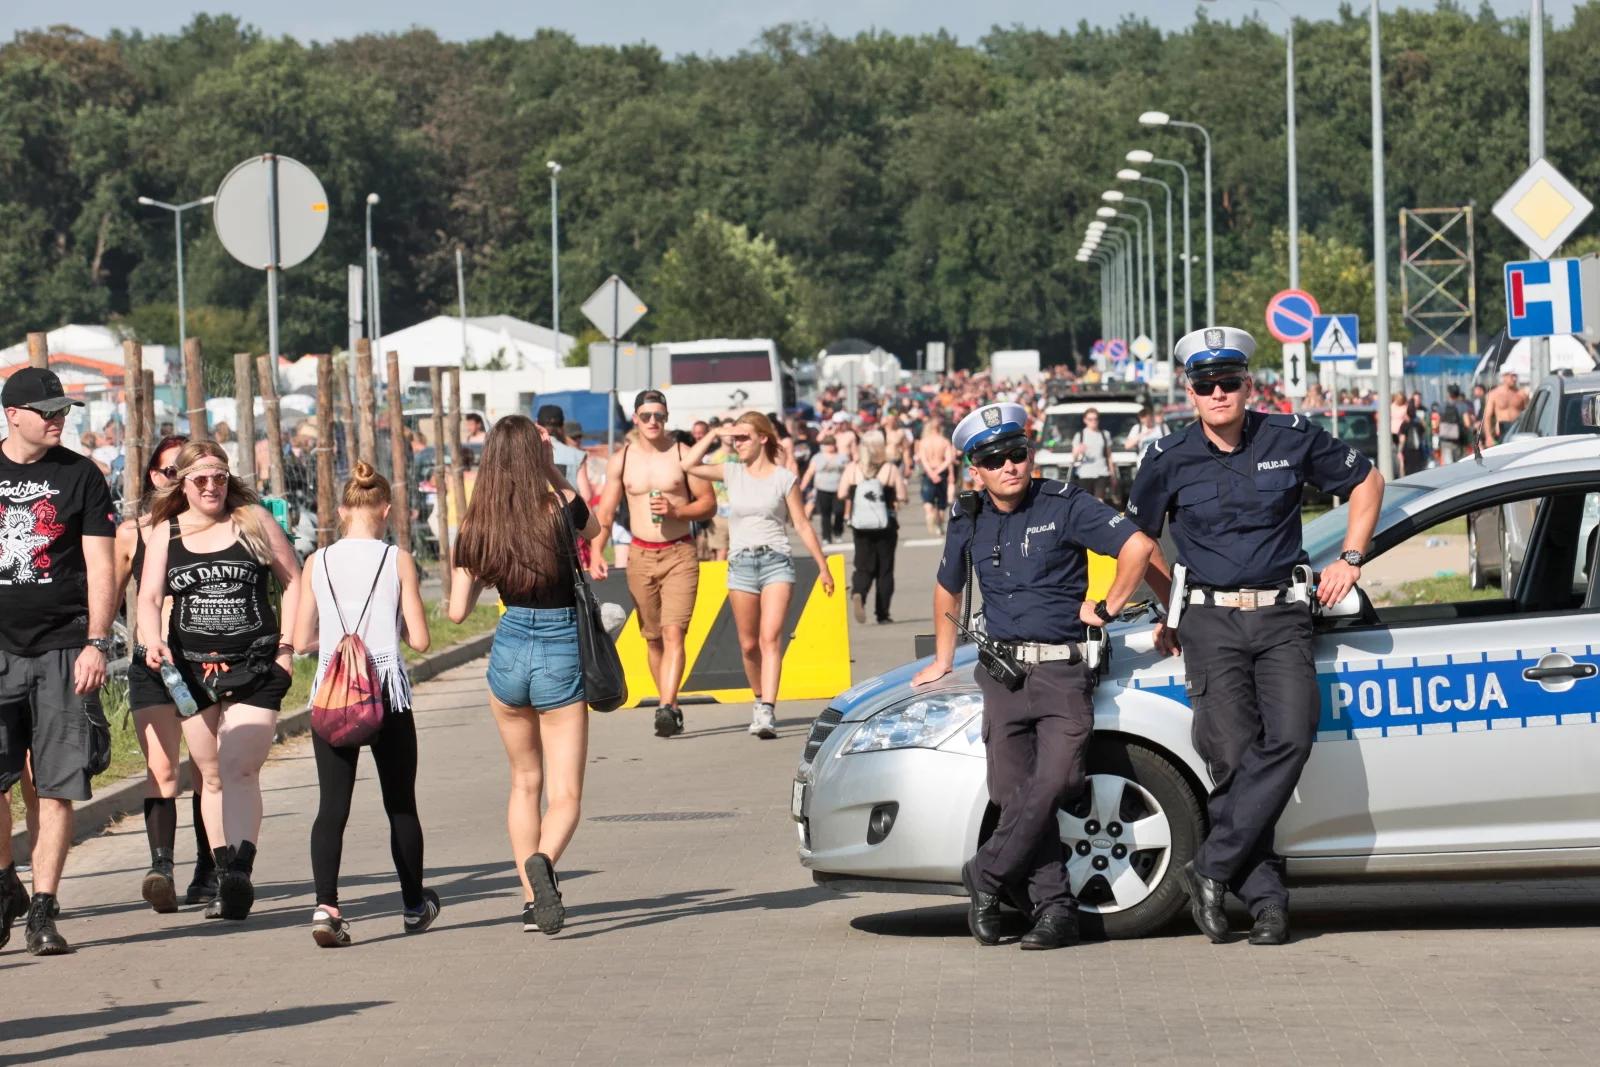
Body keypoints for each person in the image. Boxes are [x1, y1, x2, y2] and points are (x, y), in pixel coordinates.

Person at [1127, 326, 1384, 946]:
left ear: (1248, 385)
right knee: (1236, 761)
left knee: (1293, 738)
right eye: (1205, 385)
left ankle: (1210, 867)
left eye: (1229, 382)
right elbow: (1138, 543)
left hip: (1281, 617)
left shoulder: (1291, 438)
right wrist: (1171, 607)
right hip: (1210, 624)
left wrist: (1350, 557)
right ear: (1190, 393)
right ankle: (1268, 902)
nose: (1219, 394)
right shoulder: (1167, 459)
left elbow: (1367, 481)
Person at [911, 401, 1156, 951]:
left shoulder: (1064, 503)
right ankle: (1054, 910)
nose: (1009, 467)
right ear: (975, 467)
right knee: (1011, 790)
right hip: (1001, 673)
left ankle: (987, 874)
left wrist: (1110, 606)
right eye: (994, 459)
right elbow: (948, 584)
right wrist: (944, 659)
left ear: (1030, 453)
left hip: (1061, 671)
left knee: (1060, 781)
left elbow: (1138, 547)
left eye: (1017, 453)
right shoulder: (966, 514)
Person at [139, 441, 303, 922]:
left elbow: (294, 580)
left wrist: (287, 649)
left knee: (239, 767)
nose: (212, 488)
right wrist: (152, 640)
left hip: (255, 664)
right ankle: (224, 872)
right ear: (182, 483)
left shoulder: (252, 521)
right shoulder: (165, 534)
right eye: (201, 480)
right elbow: (148, 597)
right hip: (190, 669)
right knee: (209, 775)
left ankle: (241, 870)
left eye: (220, 478)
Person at [448, 415, 597, 935]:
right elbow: (594, 528)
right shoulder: (557, 509)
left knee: (523, 782)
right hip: (558, 647)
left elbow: (456, 613)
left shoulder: (475, 525)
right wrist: (556, 474)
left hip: (508, 646)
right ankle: (545, 863)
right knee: (566, 794)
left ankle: (534, 900)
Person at [293, 461, 439, 947]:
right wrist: (390, 625)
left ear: (341, 510)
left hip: (333, 697)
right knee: (400, 803)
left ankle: (326, 906)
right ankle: (414, 904)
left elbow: (301, 638)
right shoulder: (397, 558)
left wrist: (335, 638)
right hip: (387, 695)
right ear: (387, 509)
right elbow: (419, 640)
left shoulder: (318, 562)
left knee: (331, 806)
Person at [0, 368, 117, 956]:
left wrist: (98, 642)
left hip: (64, 646)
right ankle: (4, 884)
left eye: (62, 411)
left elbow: (102, 565)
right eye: (46, 411)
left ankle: (43, 909)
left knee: (56, 781)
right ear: (12, 413)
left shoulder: (81, 476)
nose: (57, 419)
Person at [113, 434, 220, 913]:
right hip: (151, 662)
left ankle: (209, 867)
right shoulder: (133, 531)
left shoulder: (213, 528)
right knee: (160, 769)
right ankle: (161, 868)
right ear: (152, 476)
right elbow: (108, 590)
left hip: (201, 663)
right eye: (165, 471)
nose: (174, 479)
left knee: (205, 770)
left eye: (185, 470)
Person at [681, 413, 835, 738]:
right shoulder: (731, 471)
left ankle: (767, 710)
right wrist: (715, 433)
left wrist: (822, 567)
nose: (737, 444)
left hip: (776, 560)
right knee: (748, 644)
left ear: (763, 438)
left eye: (744, 438)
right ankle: (758, 698)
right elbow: (689, 465)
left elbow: (802, 524)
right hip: (741, 563)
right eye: (734, 439)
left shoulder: (783, 478)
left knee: (769, 638)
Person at [589, 391, 716, 737]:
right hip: (640, 554)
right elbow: (605, 511)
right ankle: (667, 702)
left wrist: (677, 512)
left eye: (658, 415)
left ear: (667, 416)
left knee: (675, 631)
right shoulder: (623, 459)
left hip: (679, 553)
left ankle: (667, 705)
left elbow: (708, 504)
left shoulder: (683, 455)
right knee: (654, 637)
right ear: (635, 418)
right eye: (646, 415)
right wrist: (597, 551)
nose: (652, 422)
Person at [838, 434, 908, 625]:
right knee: (885, 569)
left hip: (860, 525)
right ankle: (882, 613)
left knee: (863, 565)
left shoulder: (853, 469)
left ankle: (859, 592)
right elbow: (902, 495)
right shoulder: (890, 468)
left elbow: (841, 493)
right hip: (886, 524)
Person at [800, 435, 847, 544]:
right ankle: (826, 536)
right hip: (822, 488)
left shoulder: (842, 457)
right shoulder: (817, 457)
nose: (829, 447)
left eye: (831, 444)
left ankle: (838, 531)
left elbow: (848, 472)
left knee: (839, 511)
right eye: (826, 444)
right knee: (825, 514)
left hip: (838, 488)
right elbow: (810, 472)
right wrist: (803, 485)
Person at [915, 419, 956, 536]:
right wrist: (938, 472)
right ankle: (939, 525)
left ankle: (930, 515)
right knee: (942, 503)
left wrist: (931, 473)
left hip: (928, 473)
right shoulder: (944, 441)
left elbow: (923, 459)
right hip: (941, 472)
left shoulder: (924, 442)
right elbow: (948, 460)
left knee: (928, 500)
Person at [1069, 408, 1113, 501]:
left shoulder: (1105, 434)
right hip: (1084, 473)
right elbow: (1073, 458)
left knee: (1100, 501)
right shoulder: (1079, 435)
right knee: (1087, 501)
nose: (1093, 421)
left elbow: (1109, 456)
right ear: (1085, 420)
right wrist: (1078, 451)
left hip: (1102, 472)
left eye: (1095, 419)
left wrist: (1113, 474)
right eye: (1090, 419)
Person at [1484, 371, 1529, 444]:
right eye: (1512, 376)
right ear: (1504, 377)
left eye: (1515, 376)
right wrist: (1488, 436)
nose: (1514, 379)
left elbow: (1529, 414)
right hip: (1502, 431)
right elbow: (1487, 417)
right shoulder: (1494, 394)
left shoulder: (1522, 394)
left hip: (1518, 430)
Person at [1437, 383, 1475, 463]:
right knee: (1460, 464)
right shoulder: (1463, 406)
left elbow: (1436, 423)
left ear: (1449, 393)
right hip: (1459, 440)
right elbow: (1467, 423)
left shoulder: (1442, 406)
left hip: (1445, 440)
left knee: (1448, 466)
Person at [1399, 398, 1430, 475]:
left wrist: (1399, 451)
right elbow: (1424, 435)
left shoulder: (1404, 425)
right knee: (1418, 472)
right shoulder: (1419, 424)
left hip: (1408, 451)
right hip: (1418, 450)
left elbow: (1402, 440)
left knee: (1408, 472)